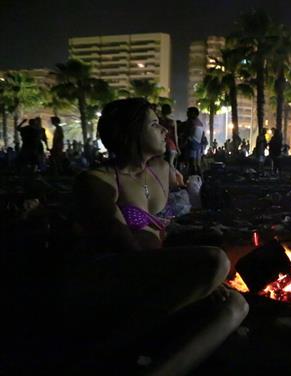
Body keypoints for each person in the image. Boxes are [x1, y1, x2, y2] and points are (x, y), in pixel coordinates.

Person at [66, 98, 248, 374]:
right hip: (113, 275)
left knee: (236, 304)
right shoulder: (97, 181)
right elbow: (124, 246)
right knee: (215, 261)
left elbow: (181, 204)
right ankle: (110, 345)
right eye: (154, 124)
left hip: (155, 272)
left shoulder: (161, 170)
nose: (164, 129)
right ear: (130, 132)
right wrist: (198, 279)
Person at [186, 107, 205, 176]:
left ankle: (192, 180)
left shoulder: (191, 122)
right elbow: (202, 136)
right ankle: (201, 180)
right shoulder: (200, 123)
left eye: (188, 112)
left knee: (192, 164)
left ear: (193, 113)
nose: (187, 114)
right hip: (198, 145)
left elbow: (188, 133)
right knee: (198, 165)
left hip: (191, 144)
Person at [159, 104, 179, 169]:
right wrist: (177, 147)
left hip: (160, 143)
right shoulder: (172, 121)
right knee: (171, 165)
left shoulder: (159, 121)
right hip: (171, 145)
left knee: (161, 165)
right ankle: (172, 178)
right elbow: (175, 135)